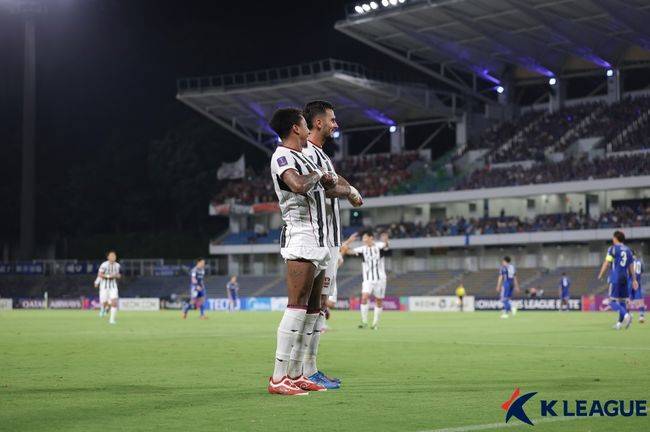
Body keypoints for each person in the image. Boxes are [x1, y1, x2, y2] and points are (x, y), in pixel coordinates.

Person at [267, 107, 337, 396]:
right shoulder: (282, 155)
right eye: (304, 124)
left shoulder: (303, 156)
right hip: (300, 237)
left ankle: (296, 374)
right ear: (295, 128)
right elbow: (297, 184)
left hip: (319, 239)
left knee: (312, 309)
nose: (309, 127)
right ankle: (278, 377)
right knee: (296, 306)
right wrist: (319, 174)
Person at [301, 100, 363, 388]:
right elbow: (327, 187)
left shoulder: (323, 156)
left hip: (331, 240)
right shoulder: (306, 153)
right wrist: (349, 191)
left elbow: (336, 179)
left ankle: (308, 369)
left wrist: (351, 188)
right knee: (310, 305)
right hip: (318, 239)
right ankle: (301, 370)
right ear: (318, 122)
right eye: (332, 120)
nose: (336, 124)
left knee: (320, 305)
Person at [341, 231, 390, 330]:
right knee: (364, 298)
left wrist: (386, 240)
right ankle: (364, 322)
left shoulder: (379, 246)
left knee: (379, 300)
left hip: (380, 279)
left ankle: (375, 323)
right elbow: (345, 250)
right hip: (367, 279)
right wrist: (348, 242)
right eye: (363, 238)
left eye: (365, 238)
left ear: (371, 238)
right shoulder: (362, 249)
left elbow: (386, 245)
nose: (363, 240)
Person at [597, 231, 638, 330]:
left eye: (613, 237)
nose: (612, 239)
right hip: (625, 277)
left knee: (611, 301)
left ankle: (626, 316)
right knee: (622, 301)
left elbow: (607, 263)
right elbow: (631, 266)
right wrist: (634, 279)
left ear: (616, 238)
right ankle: (619, 324)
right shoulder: (628, 250)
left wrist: (601, 274)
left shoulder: (612, 249)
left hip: (616, 277)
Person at [97, 250, 120, 324]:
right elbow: (100, 274)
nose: (113, 257)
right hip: (104, 286)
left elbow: (117, 275)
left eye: (114, 256)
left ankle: (112, 320)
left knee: (114, 302)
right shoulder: (104, 265)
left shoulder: (117, 265)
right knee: (104, 302)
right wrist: (109, 276)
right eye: (111, 256)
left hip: (113, 286)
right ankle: (103, 308)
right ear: (108, 257)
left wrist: (118, 276)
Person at [629, 251, 645, 324]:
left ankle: (630, 315)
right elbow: (642, 271)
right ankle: (641, 316)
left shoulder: (628, 261)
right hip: (637, 282)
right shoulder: (639, 261)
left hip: (630, 281)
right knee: (639, 298)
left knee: (628, 299)